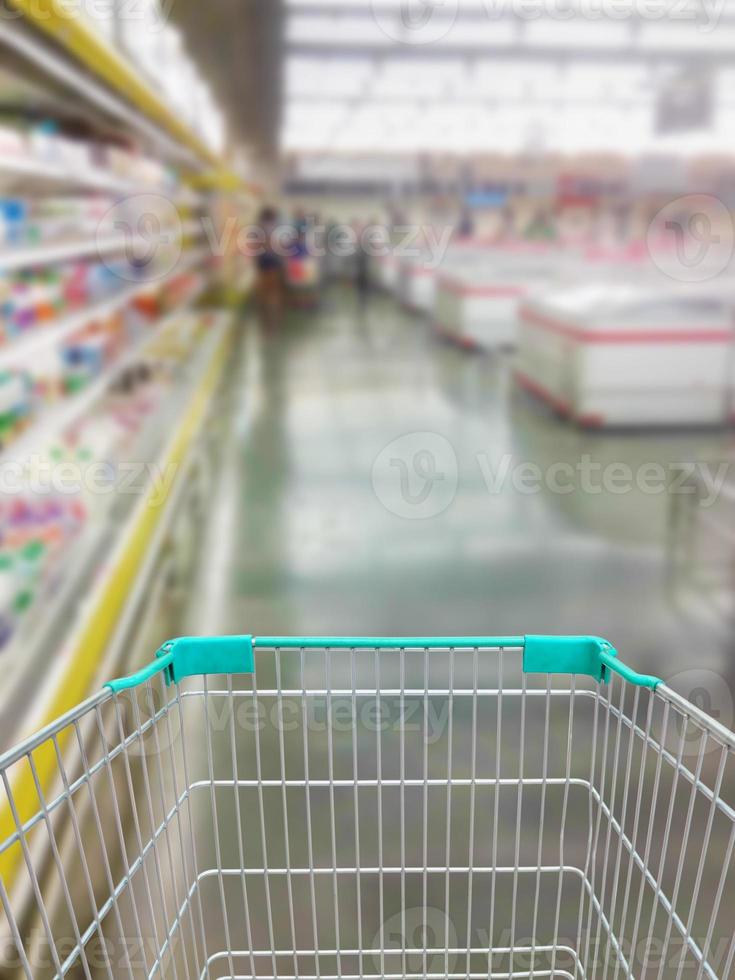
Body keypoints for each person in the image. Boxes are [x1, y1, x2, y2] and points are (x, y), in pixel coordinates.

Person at [254, 206, 284, 331]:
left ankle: (265, 307)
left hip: (262, 258)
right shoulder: (273, 227)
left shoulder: (259, 227)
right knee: (273, 284)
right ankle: (272, 307)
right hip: (272, 258)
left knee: (265, 282)